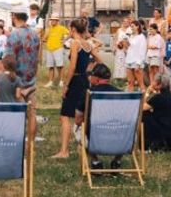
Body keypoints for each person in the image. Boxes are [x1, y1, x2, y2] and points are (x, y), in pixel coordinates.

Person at [54, 18, 95, 159]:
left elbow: (72, 66)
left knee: (65, 115)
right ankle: (85, 145)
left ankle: (64, 151)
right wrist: (90, 72)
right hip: (85, 80)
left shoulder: (75, 43)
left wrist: (66, 85)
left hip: (76, 80)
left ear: (73, 29)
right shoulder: (88, 44)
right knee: (82, 114)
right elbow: (99, 60)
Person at [79, 63, 125, 169]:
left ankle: (95, 161)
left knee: (77, 129)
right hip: (120, 139)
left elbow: (78, 120)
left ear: (96, 78)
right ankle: (117, 161)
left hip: (95, 138)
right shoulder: (121, 95)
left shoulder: (88, 93)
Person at [6, 10, 41, 139]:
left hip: (16, 81)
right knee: (32, 113)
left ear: (14, 16)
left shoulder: (14, 34)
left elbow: (9, 60)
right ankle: (31, 142)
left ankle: (16, 140)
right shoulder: (35, 34)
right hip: (31, 79)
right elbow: (37, 58)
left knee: (16, 113)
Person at [141, 71, 171, 151]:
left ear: (159, 84)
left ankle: (148, 144)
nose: (152, 83)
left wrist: (147, 91)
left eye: (154, 81)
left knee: (144, 114)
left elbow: (141, 108)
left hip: (167, 138)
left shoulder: (158, 98)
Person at [43, 15, 70, 89]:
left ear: (58, 21)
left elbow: (70, 33)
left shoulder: (61, 28)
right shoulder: (48, 29)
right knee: (50, 66)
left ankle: (61, 81)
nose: (52, 21)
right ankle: (50, 82)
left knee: (60, 66)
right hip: (49, 49)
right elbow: (43, 39)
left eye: (54, 20)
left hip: (58, 48)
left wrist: (64, 40)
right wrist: (48, 30)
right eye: (51, 20)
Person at [126, 19, 148, 91]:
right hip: (129, 60)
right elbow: (129, 48)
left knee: (140, 83)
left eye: (132, 26)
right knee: (130, 82)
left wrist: (138, 63)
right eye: (130, 26)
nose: (131, 28)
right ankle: (130, 100)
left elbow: (142, 51)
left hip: (137, 62)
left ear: (137, 27)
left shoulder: (141, 37)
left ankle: (144, 100)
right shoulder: (131, 36)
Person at [113, 16, 131, 84]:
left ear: (129, 23)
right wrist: (115, 47)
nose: (125, 23)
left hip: (127, 48)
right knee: (119, 62)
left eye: (127, 22)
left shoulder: (130, 30)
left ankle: (126, 77)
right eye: (124, 21)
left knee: (126, 63)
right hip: (119, 48)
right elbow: (116, 39)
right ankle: (118, 77)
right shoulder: (119, 30)